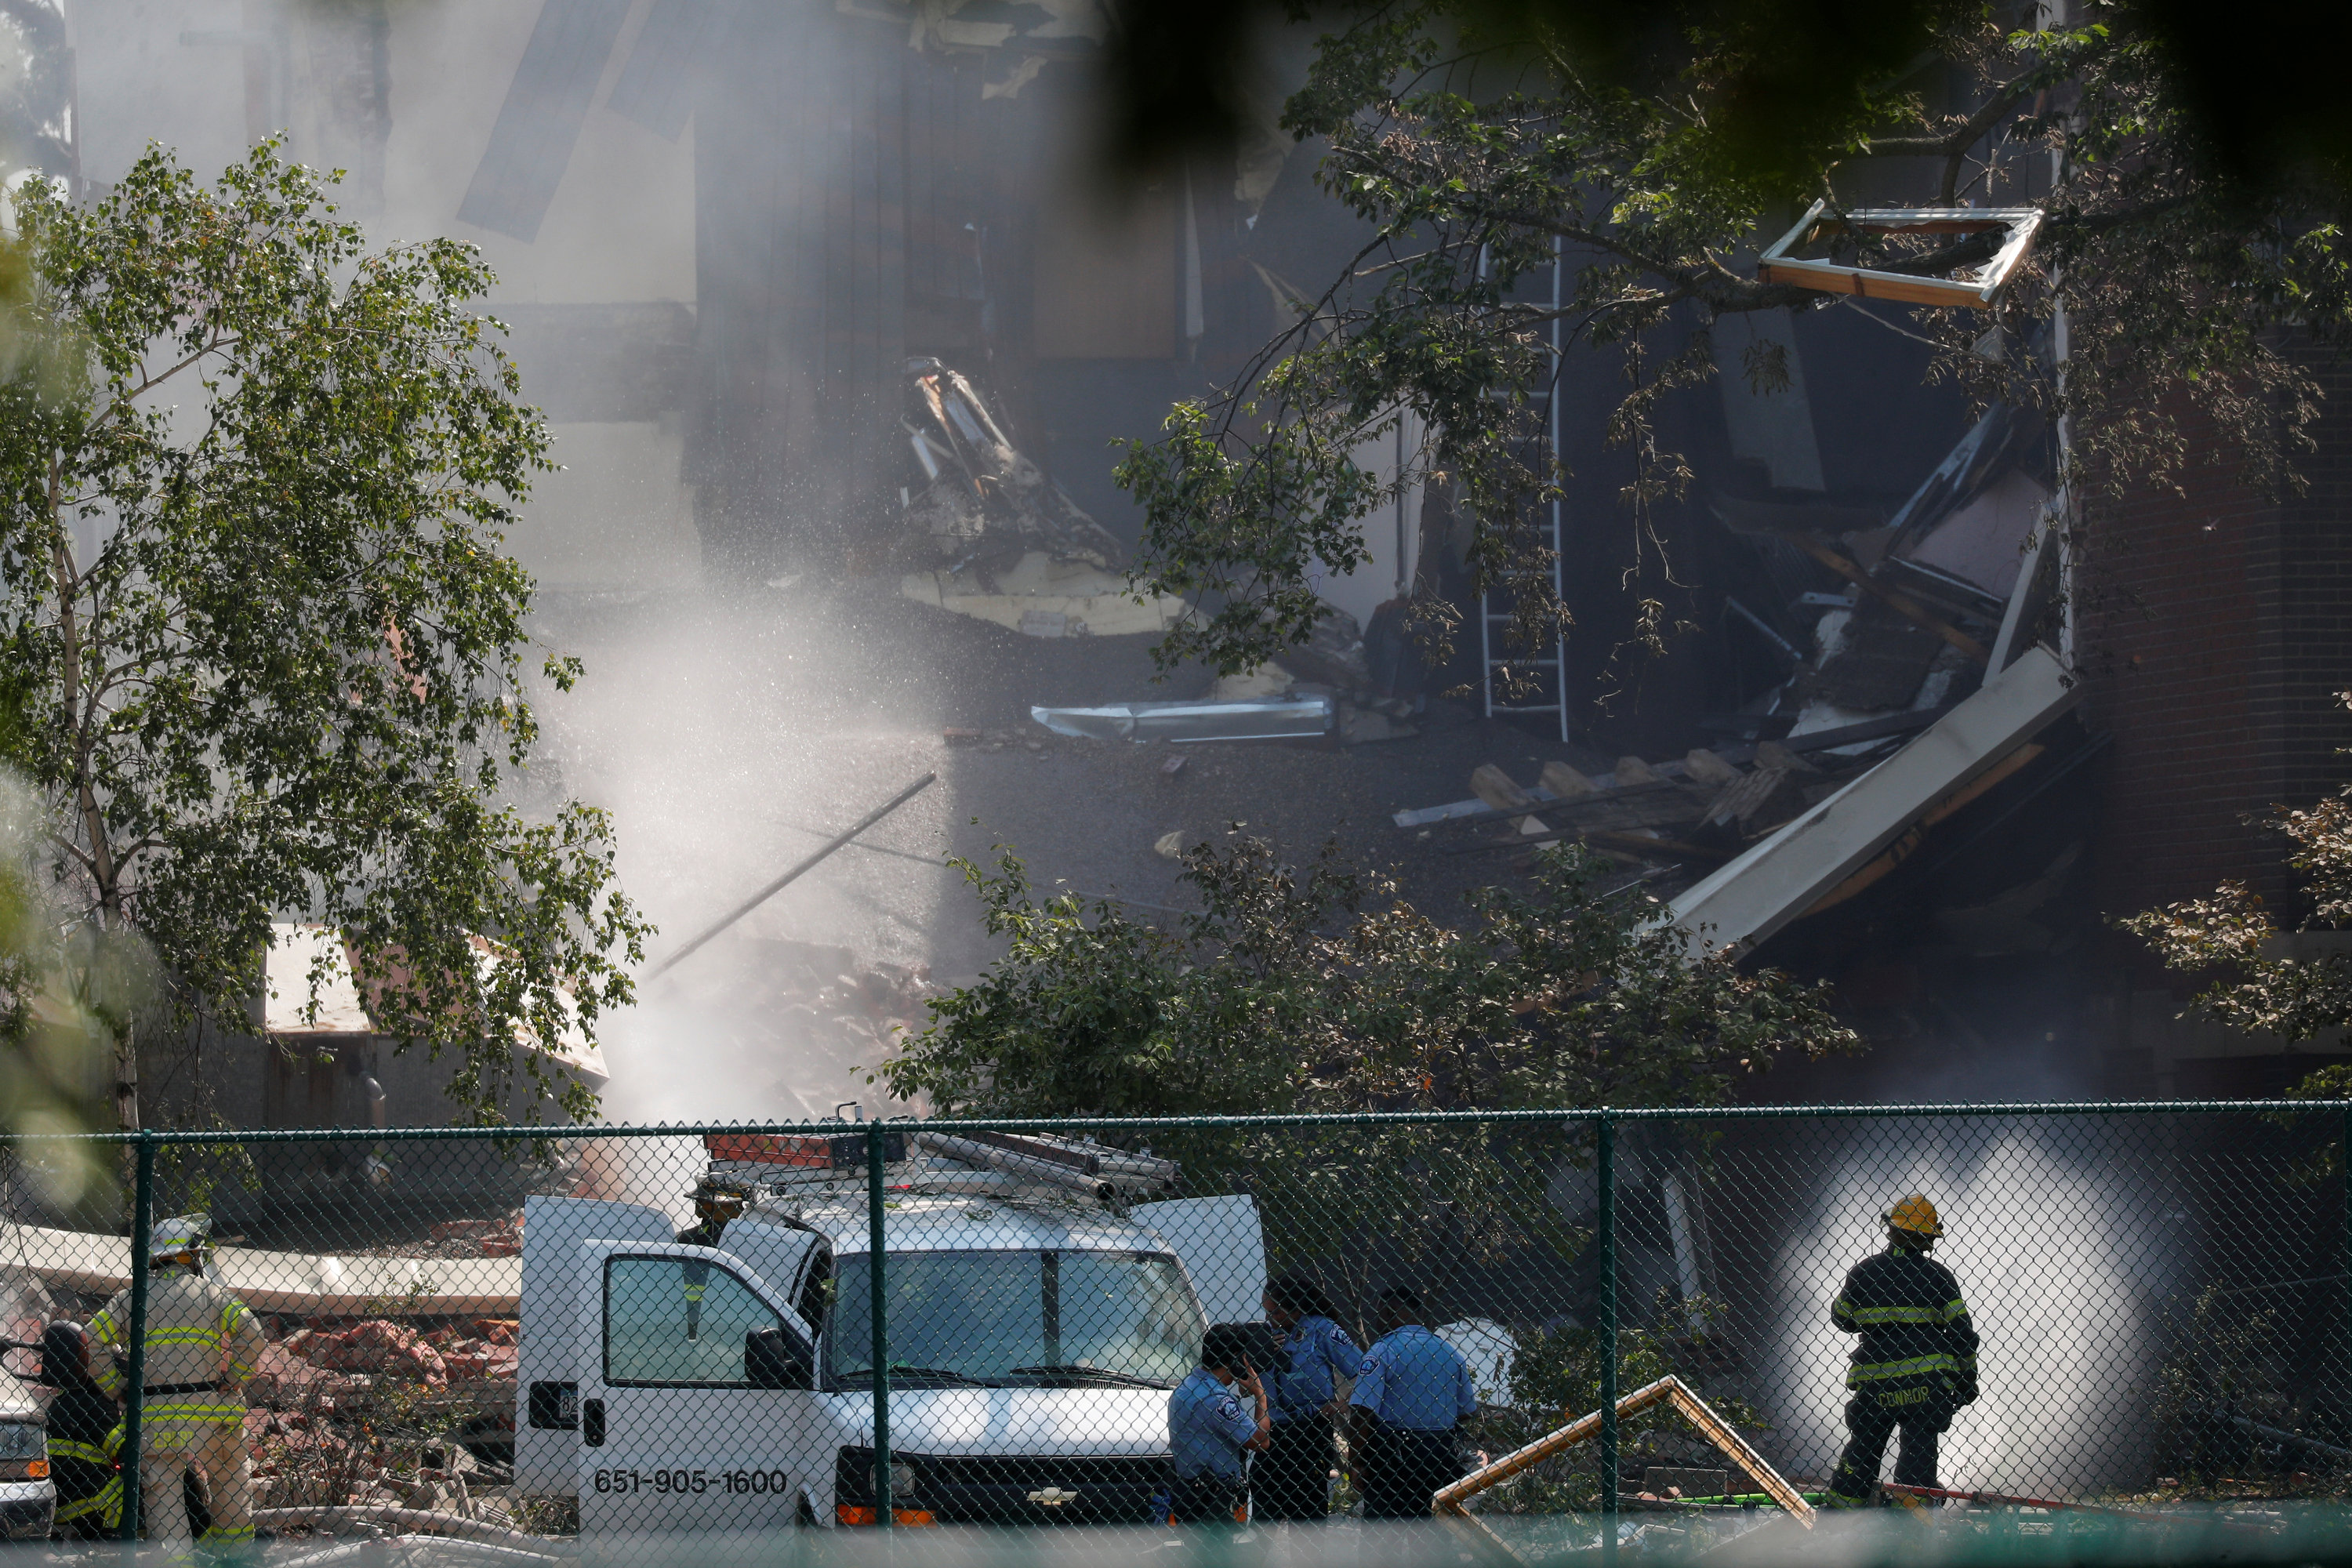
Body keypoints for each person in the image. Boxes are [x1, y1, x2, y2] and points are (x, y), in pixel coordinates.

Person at [89, 1214, 265, 1562]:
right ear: (190, 1254)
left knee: (163, 1495)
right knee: (229, 1480)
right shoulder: (213, 1294)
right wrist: (233, 1379)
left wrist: (117, 1387)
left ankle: (177, 1562)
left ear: (155, 1257)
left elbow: (92, 1338)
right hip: (214, 1411)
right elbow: (254, 1334)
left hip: (157, 1416)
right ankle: (237, 1557)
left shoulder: (131, 1298)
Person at [1824, 1194, 1979, 1507]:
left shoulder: (1864, 1272)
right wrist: (1966, 1380)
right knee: (1919, 1446)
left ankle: (1840, 1514)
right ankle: (1907, 1519)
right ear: (1927, 1238)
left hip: (1876, 1384)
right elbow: (1962, 1332)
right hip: (1927, 1384)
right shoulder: (1939, 1277)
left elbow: (1842, 1317)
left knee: (1864, 1445)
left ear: (1891, 1230)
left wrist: (1871, 1318)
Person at [1347, 1286, 1478, 1519]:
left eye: (1379, 1314)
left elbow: (1363, 1410)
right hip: (1439, 1454)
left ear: (1388, 1313)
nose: (1376, 1321)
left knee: (1383, 1535)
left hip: (1392, 1458)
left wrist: (1356, 1460)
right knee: (1433, 1529)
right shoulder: (1449, 1352)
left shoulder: (1382, 1351)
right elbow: (1467, 1410)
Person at [1258, 1275, 1358, 1521]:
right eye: (1266, 1312)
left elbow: (1365, 1371)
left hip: (1310, 1429)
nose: (1270, 1319)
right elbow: (1243, 1384)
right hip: (1272, 1430)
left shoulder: (1322, 1330)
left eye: (1277, 1313)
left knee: (1307, 1512)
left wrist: (1340, 1404)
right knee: (1263, 1507)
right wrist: (1261, 1353)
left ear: (1298, 1308)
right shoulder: (1265, 1335)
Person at [1166, 1323, 1272, 1526]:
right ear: (1236, 1358)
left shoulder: (1185, 1388)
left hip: (1189, 1495)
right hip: (1214, 1503)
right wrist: (1261, 1396)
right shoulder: (1216, 1398)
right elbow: (1261, 1442)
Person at [34, 1321, 123, 1540]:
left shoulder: (62, 1402)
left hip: (55, 1505)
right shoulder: (97, 1406)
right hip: (84, 1506)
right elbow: (128, 1453)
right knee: (142, 1476)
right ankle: (115, 1536)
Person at [677, 1178, 749, 1341]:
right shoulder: (749, 1239)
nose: (698, 1204)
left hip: (689, 1316)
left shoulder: (689, 1238)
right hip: (729, 1321)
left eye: (702, 1201)